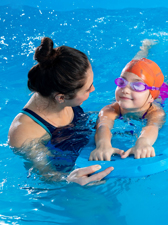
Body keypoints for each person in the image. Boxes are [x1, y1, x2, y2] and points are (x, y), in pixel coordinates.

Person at [8, 37, 113, 185]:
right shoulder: (25, 131)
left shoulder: (58, 86)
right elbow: (46, 176)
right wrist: (69, 181)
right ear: (61, 98)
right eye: (88, 88)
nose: (93, 89)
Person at [89, 40, 166, 161]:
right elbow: (103, 125)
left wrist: (143, 142)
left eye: (138, 86)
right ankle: (144, 47)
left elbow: (152, 126)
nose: (125, 90)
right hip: (141, 95)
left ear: (151, 96)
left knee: (167, 82)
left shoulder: (156, 112)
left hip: (162, 95)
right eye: (121, 82)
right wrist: (103, 145)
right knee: (136, 65)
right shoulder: (110, 109)